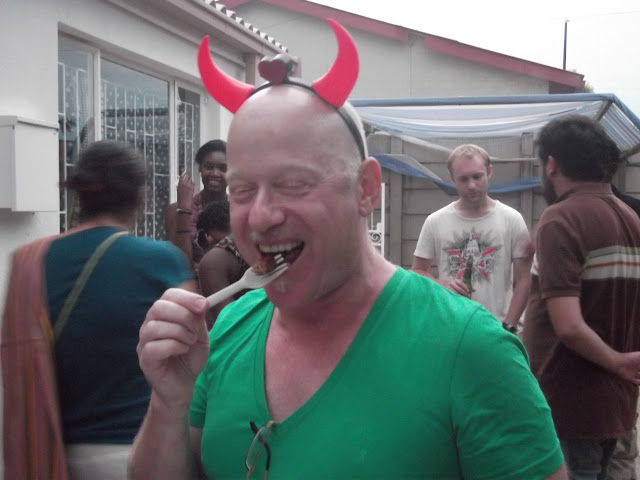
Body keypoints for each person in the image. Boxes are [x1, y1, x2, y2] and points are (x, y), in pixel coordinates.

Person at [129, 19, 567, 480]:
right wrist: (168, 401)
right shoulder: (230, 327)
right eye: (242, 191)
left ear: (365, 189)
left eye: (293, 183)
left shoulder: (473, 351)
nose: (259, 216)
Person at [1, 140, 195, 480]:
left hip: (49, 455)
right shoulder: (161, 260)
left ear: (79, 194)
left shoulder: (29, 261)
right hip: (141, 456)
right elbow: (195, 354)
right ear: (139, 195)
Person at [521, 115, 640, 480]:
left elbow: (569, 326)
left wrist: (617, 362)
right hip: (613, 405)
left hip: (568, 405)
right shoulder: (631, 219)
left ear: (552, 164)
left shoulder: (561, 219)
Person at [411, 144, 532, 332]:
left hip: (497, 329)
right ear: (452, 178)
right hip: (450, 327)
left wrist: (509, 326)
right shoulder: (435, 221)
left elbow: (524, 278)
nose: (472, 185)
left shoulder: (512, 219)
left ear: (489, 172)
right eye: (463, 179)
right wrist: (443, 286)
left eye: (477, 177)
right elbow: (417, 271)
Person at [165, 139, 228, 269]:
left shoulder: (239, 211)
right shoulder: (176, 210)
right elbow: (178, 262)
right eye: (208, 167)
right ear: (200, 169)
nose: (215, 174)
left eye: (223, 168)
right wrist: (184, 210)